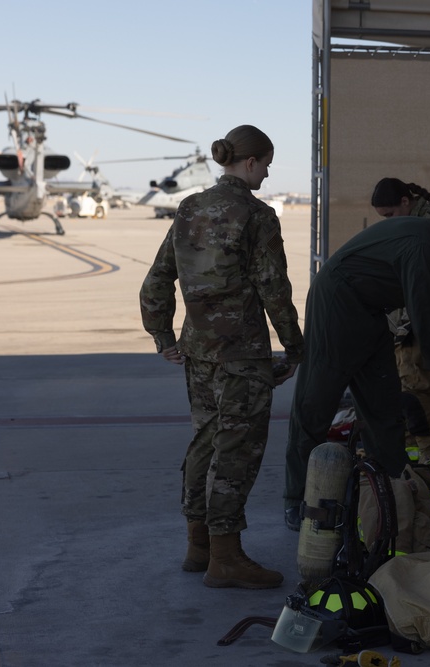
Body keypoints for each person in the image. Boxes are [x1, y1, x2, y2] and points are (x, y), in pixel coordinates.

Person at [139, 124, 304, 590]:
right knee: (237, 451)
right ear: (250, 162)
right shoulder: (257, 215)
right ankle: (226, 558)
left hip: (198, 352)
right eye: (267, 164)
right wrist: (294, 346)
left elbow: (156, 280)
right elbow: (275, 288)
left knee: (205, 442)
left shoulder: (189, 207)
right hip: (241, 355)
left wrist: (162, 336)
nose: (268, 174)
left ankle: (199, 547)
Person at [284, 216, 430, 530]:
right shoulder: (424, 244)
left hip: (372, 312)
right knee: (315, 403)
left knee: (384, 406)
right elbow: (422, 306)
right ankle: (296, 499)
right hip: (337, 303)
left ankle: (393, 491)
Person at [370, 178, 430, 464]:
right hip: (411, 327)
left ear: (405, 202)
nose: (387, 222)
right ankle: (417, 468)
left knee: (418, 398)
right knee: (408, 400)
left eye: (389, 215)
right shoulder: (418, 224)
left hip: (429, 328)